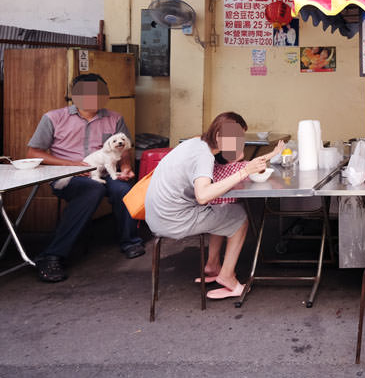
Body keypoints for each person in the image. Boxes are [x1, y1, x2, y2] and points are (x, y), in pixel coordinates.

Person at [144, 112, 281, 300]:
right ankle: (228, 278)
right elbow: (203, 195)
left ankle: (212, 266)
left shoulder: (194, 143)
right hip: (173, 220)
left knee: (223, 209)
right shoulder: (204, 156)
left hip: (156, 215)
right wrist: (245, 171)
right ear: (218, 136)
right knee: (240, 217)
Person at [26, 73, 144, 283]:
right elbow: (34, 154)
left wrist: (125, 168)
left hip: (107, 172)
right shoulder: (53, 117)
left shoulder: (115, 118)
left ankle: (130, 241)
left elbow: (124, 150)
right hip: (69, 176)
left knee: (124, 189)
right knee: (92, 189)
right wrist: (71, 166)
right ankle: (52, 255)